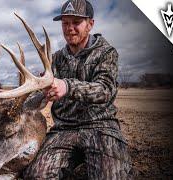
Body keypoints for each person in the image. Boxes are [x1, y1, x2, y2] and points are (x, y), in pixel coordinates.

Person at [24, 0, 132, 179]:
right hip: (64, 129)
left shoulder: (106, 53)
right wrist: (37, 95)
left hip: (101, 126)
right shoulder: (55, 59)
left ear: (90, 24)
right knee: (36, 175)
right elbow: (39, 97)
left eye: (76, 22)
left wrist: (67, 86)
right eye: (65, 23)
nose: (70, 28)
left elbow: (105, 90)